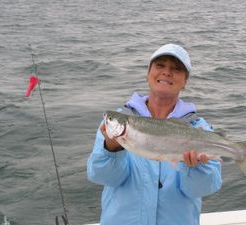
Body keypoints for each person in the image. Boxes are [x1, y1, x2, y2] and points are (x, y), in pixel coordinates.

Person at [87, 43, 222, 225]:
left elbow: (205, 188)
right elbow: (101, 177)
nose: (166, 72)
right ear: (148, 73)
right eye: (160, 65)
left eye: (176, 69)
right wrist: (111, 151)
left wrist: (196, 168)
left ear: (185, 82)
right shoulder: (114, 124)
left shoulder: (199, 128)